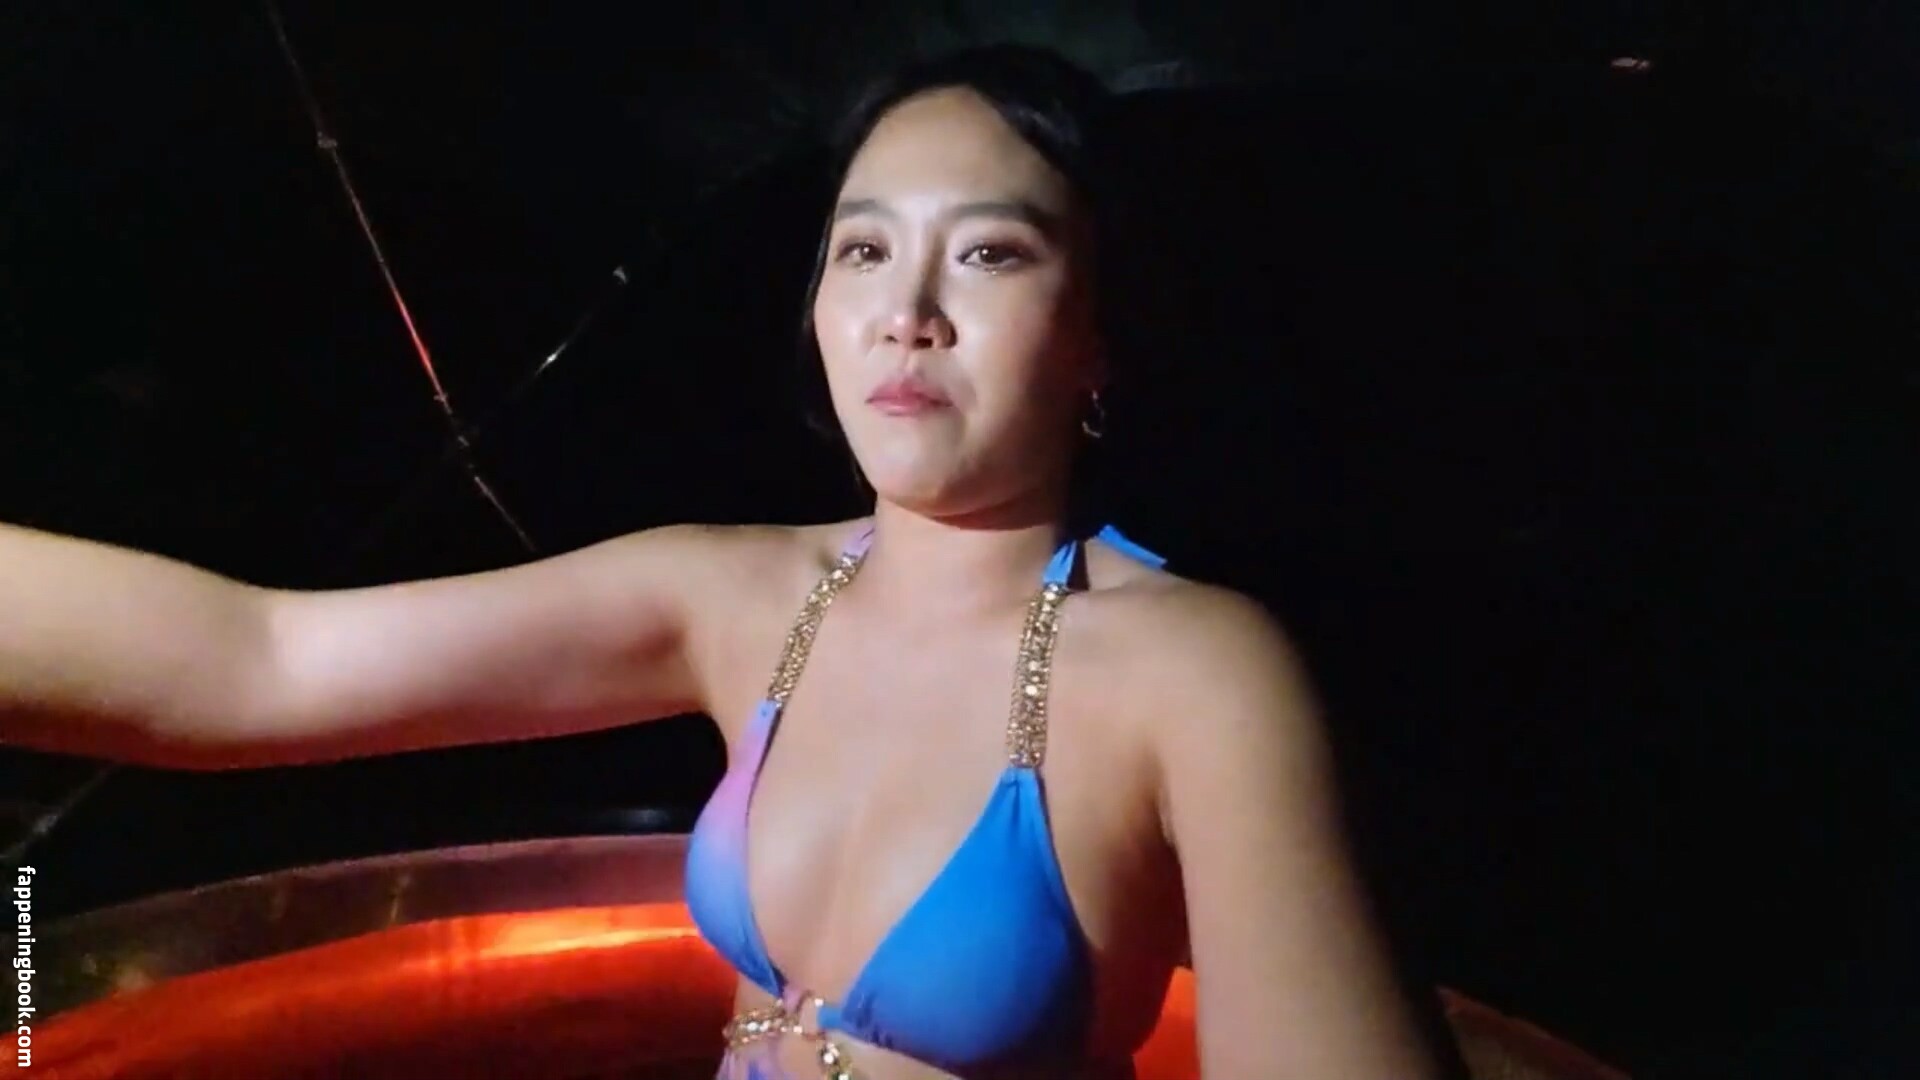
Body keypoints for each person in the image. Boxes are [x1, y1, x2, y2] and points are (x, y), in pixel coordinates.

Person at [1, 45, 1455, 1080]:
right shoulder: (737, 599)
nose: (907, 311)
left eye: (992, 254)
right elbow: (262, 662)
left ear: (1100, 335)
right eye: (863, 252)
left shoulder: (1195, 672)